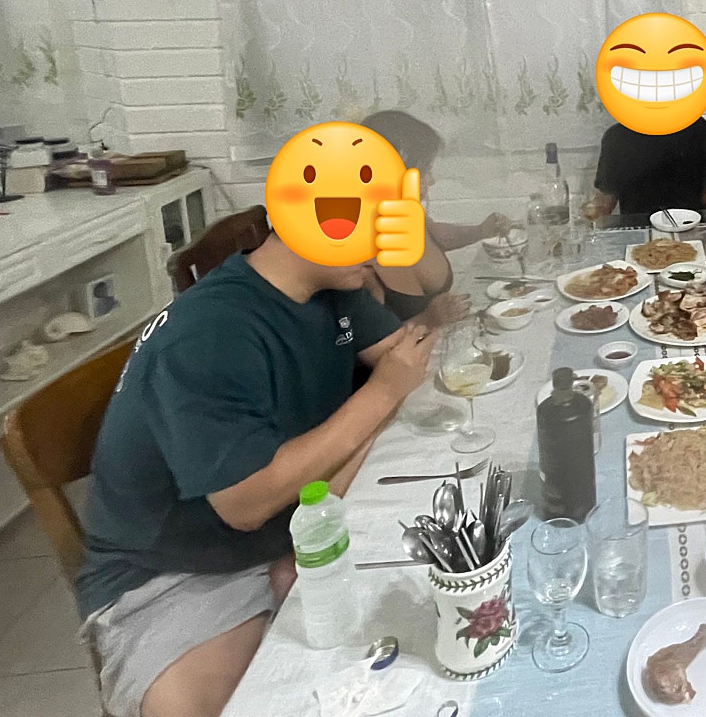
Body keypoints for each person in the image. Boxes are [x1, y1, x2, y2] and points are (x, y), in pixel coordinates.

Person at [75, 231, 436, 717]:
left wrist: (392, 383)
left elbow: (405, 358)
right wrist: (383, 393)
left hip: (285, 527)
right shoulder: (210, 331)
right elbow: (244, 504)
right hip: (174, 571)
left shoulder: (334, 286)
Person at [358, 110, 510, 324]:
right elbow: (365, 339)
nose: (432, 181)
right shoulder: (355, 257)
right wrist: (427, 319)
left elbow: (438, 235)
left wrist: (480, 230)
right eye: (425, 171)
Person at [584, 116, 706, 219]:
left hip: (690, 229)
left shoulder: (696, 127)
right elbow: (606, 199)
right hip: (636, 234)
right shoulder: (616, 136)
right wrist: (590, 215)